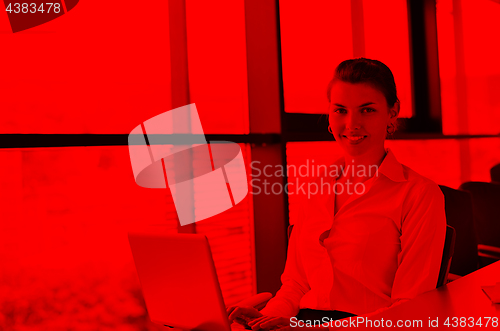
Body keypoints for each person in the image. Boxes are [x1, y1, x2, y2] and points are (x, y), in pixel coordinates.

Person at [228, 58, 446, 330]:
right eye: (340, 110)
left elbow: (408, 308)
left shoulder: (419, 194)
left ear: (392, 113)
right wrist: (268, 317)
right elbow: (295, 284)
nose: (352, 124)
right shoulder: (315, 185)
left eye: (367, 110)